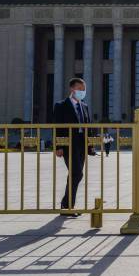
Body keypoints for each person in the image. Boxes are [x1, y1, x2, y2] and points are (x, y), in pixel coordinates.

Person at [53, 78, 94, 217]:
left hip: (82, 145)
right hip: (68, 145)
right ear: (72, 89)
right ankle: (67, 205)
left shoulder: (85, 106)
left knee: (74, 174)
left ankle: (66, 205)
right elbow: (57, 127)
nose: (83, 92)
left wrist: (90, 146)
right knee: (77, 173)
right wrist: (58, 146)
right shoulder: (61, 106)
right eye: (80, 89)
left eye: (84, 89)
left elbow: (88, 127)